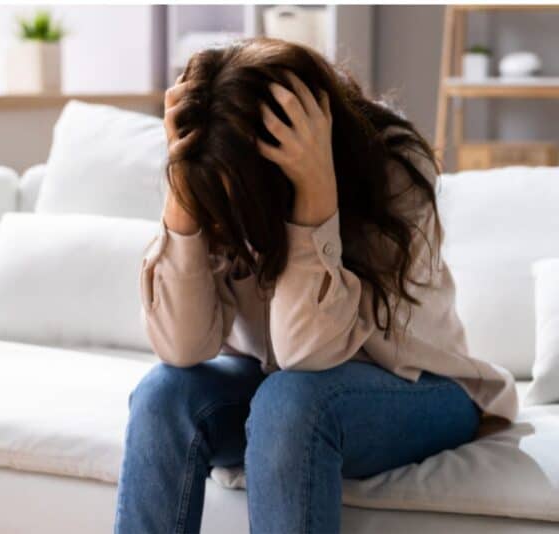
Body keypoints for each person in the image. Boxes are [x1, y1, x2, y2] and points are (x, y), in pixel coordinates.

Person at [114, 38, 517, 534]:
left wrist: (314, 197)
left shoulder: (391, 167)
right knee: (162, 394)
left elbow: (306, 355)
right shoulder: (215, 168)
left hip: (424, 388)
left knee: (293, 403)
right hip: (278, 389)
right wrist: (184, 186)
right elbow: (182, 346)